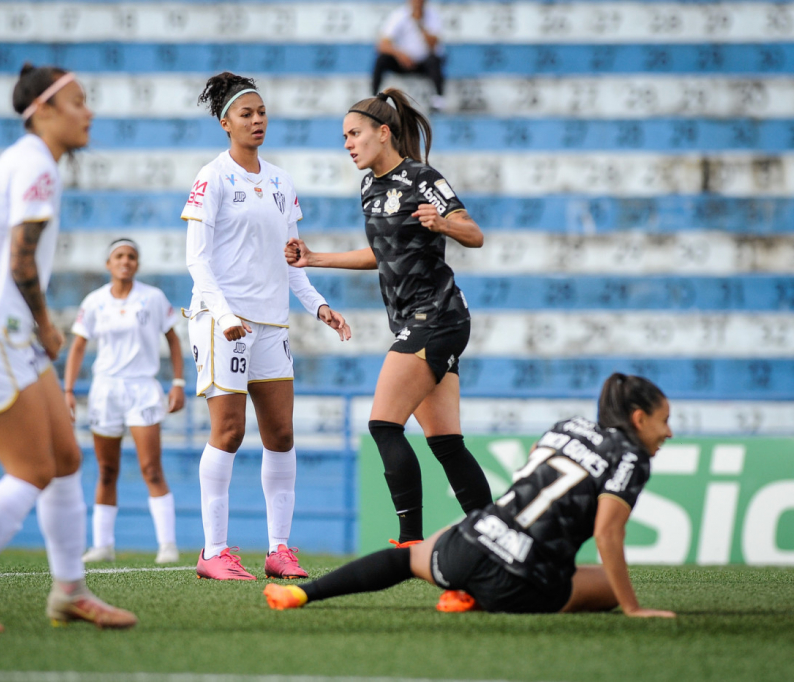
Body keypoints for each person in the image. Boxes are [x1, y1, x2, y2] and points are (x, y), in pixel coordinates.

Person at [0, 63, 136, 631]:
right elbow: (20, 260)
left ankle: (69, 592)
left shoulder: (26, 162)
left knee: (65, 456)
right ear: (43, 110)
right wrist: (46, 324)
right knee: (31, 469)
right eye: (78, 102)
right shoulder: (37, 165)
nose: (88, 112)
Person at [264, 373, 677, 619]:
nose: (668, 432)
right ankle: (479, 599)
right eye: (664, 421)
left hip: (471, 542)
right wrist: (632, 608)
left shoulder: (566, 426)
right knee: (608, 586)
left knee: (407, 558)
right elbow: (607, 534)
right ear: (638, 419)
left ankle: (303, 593)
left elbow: (532, 470)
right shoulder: (631, 457)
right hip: (522, 579)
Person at [286, 89, 491, 550]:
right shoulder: (369, 188)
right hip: (416, 321)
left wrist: (443, 224)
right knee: (446, 443)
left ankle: (409, 544)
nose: (347, 143)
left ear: (384, 133)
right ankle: (494, 536)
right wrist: (315, 258)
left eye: (354, 134)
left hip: (436, 316)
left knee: (383, 424)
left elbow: (473, 233)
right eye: (344, 136)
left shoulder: (422, 178)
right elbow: (383, 256)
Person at [182, 71, 352, 580]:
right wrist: (226, 314)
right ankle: (214, 552)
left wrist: (319, 306)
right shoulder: (212, 177)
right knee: (229, 432)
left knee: (281, 434)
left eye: (261, 113)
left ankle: (279, 550)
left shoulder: (280, 181)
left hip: (272, 324)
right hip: (222, 321)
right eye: (246, 114)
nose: (257, 121)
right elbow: (197, 259)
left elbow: (290, 258)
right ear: (224, 123)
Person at [63, 238, 185, 565]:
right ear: (108, 264)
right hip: (106, 391)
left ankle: (167, 545)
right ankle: (103, 545)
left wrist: (177, 382)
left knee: (151, 467)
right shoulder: (94, 302)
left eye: (131, 256)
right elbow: (77, 347)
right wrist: (68, 390)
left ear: (137, 264)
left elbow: (173, 340)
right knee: (106, 470)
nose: (125, 261)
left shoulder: (153, 298)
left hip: (143, 388)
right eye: (119, 256)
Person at [372, 0, 446, 112]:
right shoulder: (399, 15)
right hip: (403, 61)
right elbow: (382, 45)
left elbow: (433, 45)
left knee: (435, 60)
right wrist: (399, 54)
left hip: (423, 63)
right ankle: (374, 97)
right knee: (381, 59)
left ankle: (438, 100)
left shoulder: (433, 16)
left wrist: (419, 23)